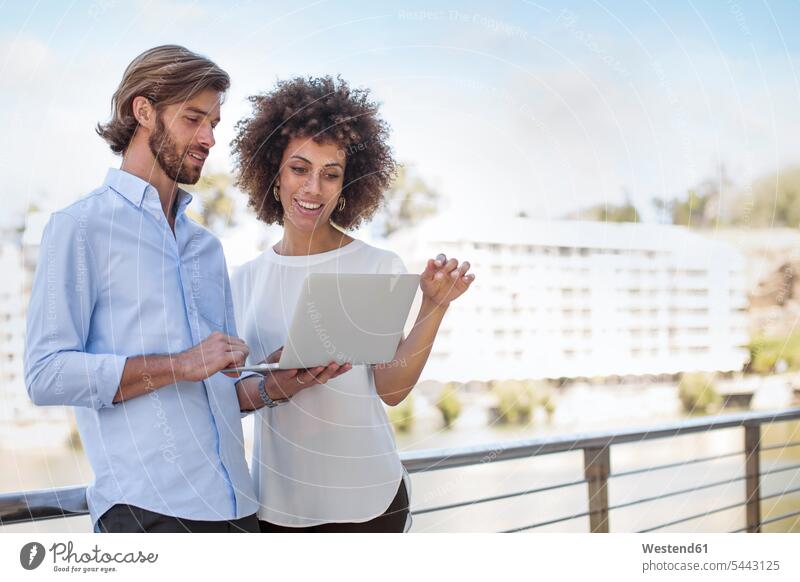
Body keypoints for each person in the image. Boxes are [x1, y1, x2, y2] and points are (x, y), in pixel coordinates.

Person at [23, 46, 346, 533]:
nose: (208, 138)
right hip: (147, 513)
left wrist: (282, 381)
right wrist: (181, 364)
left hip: (238, 509)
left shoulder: (207, 249)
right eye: (194, 119)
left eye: (214, 122)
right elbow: (46, 375)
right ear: (143, 110)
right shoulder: (79, 228)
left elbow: (221, 392)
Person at [230, 76, 475, 532]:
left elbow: (391, 389)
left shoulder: (375, 264)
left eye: (330, 173)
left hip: (372, 503)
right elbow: (228, 399)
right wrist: (275, 381)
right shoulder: (241, 280)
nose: (313, 188)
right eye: (299, 168)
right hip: (278, 508)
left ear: (347, 184)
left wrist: (434, 306)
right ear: (273, 173)